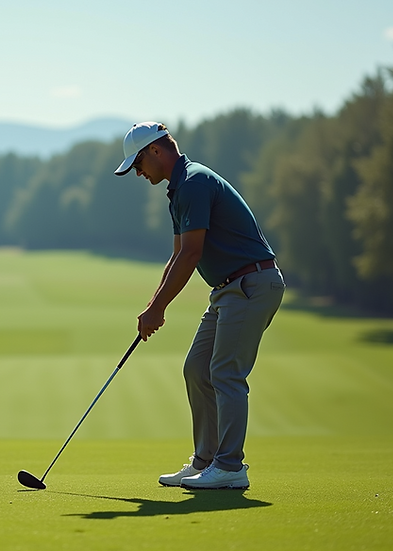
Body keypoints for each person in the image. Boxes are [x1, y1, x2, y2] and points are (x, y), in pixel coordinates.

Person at [113, 122, 284, 490]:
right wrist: (152, 306)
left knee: (225, 373)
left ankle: (230, 467)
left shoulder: (193, 183)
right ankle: (205, 462)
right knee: (196, 369)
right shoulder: (178, 191)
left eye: (138, 163)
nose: (138, 173)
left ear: (156, 151)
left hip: (252, 283)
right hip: (228, 290)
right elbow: (176, 256)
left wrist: (158, 309)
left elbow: (193, 254)